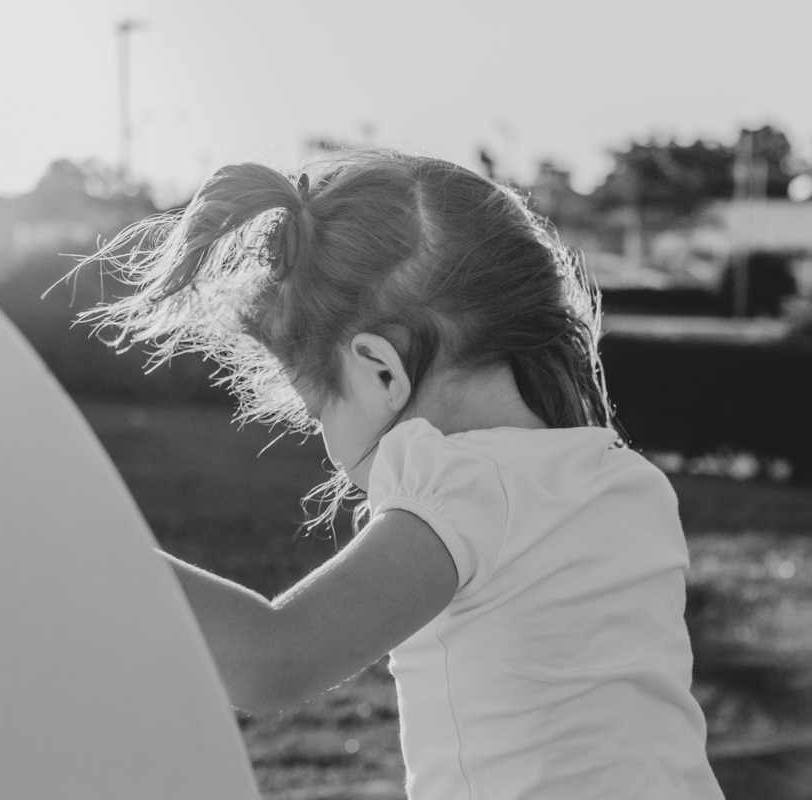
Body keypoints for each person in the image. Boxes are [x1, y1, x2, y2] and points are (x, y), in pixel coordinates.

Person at [77, 152, 723, 799]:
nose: (329, 446)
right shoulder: (629, 480)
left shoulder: (464, 485)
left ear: (383, 371)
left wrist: (83, 542)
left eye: (318, 412)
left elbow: (273, 660)